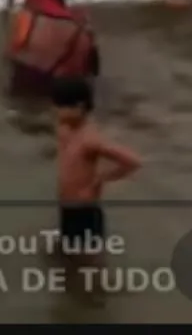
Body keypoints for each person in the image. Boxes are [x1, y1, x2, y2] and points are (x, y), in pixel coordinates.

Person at [52, 78, 140, 258]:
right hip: (66, 207)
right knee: (64, 256)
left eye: (62, 106)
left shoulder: (90, 139)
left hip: (84, 211)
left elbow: (132, 161)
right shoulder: (64, 129)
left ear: (80, 107)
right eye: (56, 106)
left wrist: (103, 178)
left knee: (86, 260)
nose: (56, 111)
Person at [7, 0, 99, 97]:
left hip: (25, 83)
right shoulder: (80, 29)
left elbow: (11, 53)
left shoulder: (28, 18)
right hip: (60, 89)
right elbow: (87, 68)